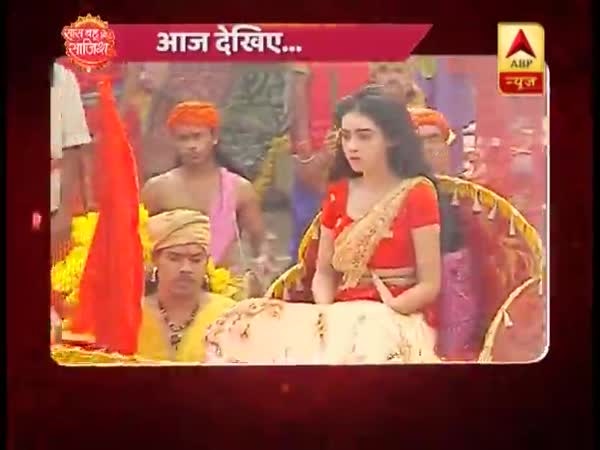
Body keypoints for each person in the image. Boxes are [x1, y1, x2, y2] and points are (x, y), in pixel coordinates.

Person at [141, 101, 272, 282]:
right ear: (174, 141)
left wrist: (262, 260)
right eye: (183, 139)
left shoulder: (239, 189)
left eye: (197, 137)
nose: (192, 145)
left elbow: (259, 240)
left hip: (224, 286)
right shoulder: (158, 188)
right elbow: (138, 238)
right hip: (171, 286)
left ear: (214, 137)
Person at [137, 209, 236, 362]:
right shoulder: (133, 315)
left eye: (195, 259)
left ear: (206, 262)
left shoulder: (229, 314)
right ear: (155, 259)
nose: (186, 268)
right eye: (174, 258)